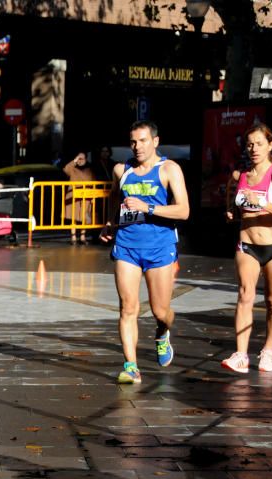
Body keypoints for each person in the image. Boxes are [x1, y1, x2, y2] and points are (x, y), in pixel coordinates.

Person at [99, 120, 190, 384]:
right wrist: (110, 222)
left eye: (143, 141)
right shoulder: (121, 169)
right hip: (127, 245)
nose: (137, 147)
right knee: (128, 308)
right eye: (133, 142)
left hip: (160, 247)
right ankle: (131, 367)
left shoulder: (169, 169)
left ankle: (163, 333)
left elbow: (183, 211)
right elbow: (115, 196)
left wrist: (147, 207)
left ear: (155, 141)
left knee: (161, 311)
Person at [221, 123, 272, 373]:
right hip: (247, 245)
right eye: (250, 144)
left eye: (259, 144)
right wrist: (231, 211)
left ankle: (269, 349)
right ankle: (241, 355)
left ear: (270, 145)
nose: (253, 148)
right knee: (245, 296)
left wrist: (261, 201)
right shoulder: (239, 176)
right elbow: (233, 204)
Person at [64, 151, 96, 244]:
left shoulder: (89, 170)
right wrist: (74, 161)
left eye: (82, 159)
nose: (80, 161)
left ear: (86, 160)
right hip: (73, 196)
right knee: (73, 217)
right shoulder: (72, 169)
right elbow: (66, 169)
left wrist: (93, 196)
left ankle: (82, 237)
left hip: (86, 197)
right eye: (78, 158)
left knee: (84, 218)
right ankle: (73, 237)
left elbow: (94, 182)